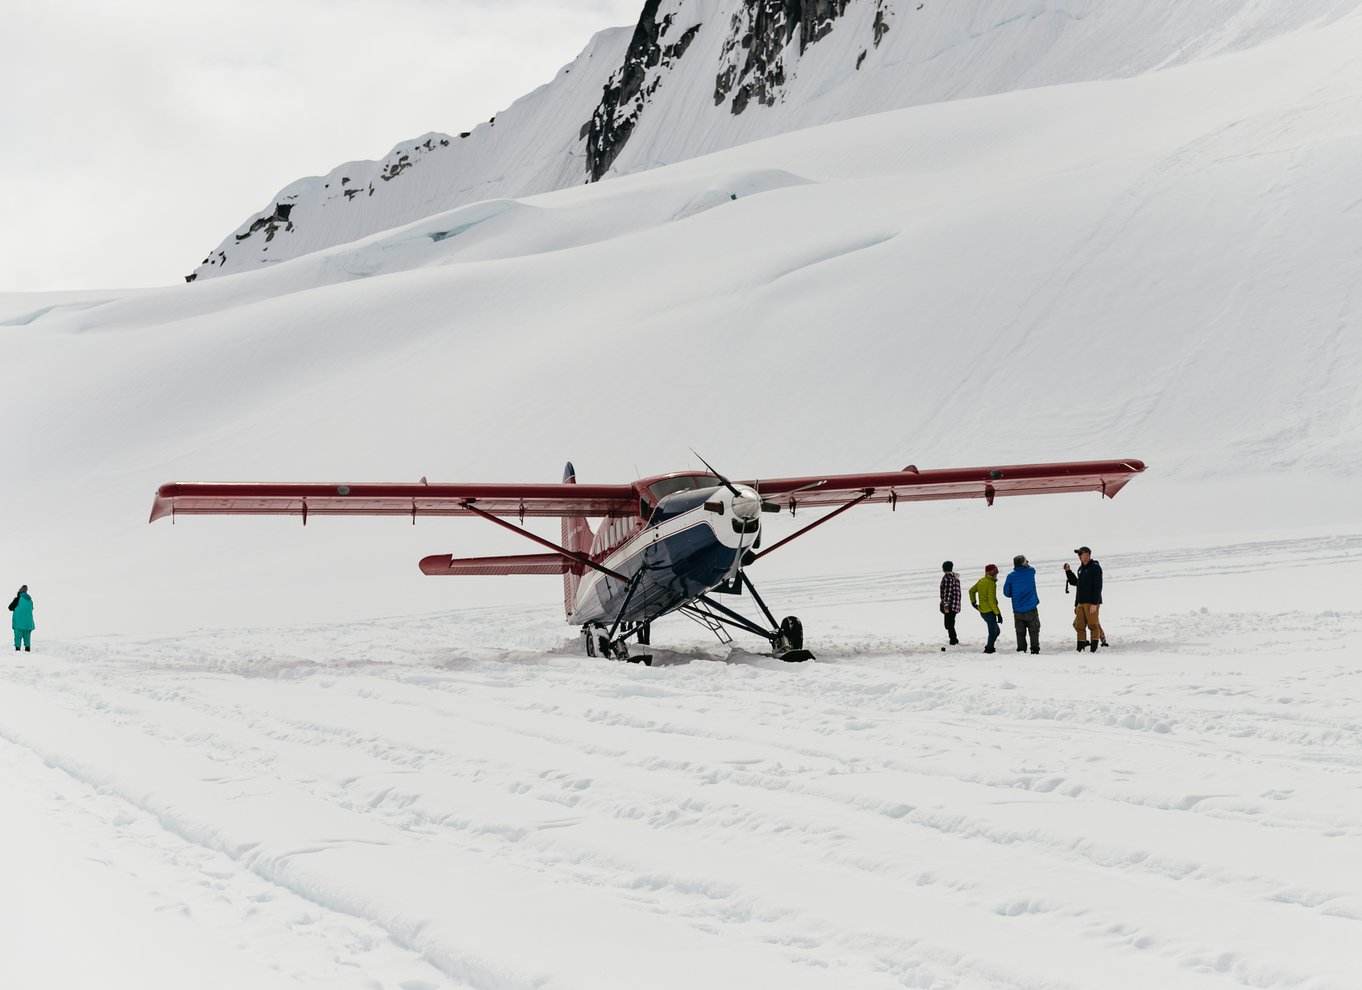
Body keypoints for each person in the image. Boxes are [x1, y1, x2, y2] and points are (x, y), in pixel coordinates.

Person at [1065, 545, 1106, 651]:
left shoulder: (1095, 567)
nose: (1079, 556)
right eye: (1078, 554)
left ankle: (1094, 648)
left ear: (1088, 554)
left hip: (1091, 602)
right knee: (1079, 626)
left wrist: (1094, 603)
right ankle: (1080, 647)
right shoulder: (1081, 569)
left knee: (1093, 625)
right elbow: (1076, 583)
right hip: (1081, 603)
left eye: (1081, 553)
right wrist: (1068, 572)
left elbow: (1098, 586)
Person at [1003, 555, 1040, 653]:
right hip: (1031, 607)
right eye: (1025, 561)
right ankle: (1035, 649)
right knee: (1034, 629)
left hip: (1018, 608)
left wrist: (1015, 594)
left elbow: (1006, 593)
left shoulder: (1010, 576)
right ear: (1023, 563)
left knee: (1020, 632)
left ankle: (1021, 649)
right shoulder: (1030, 571)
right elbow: (1029, 567)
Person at [968, 564, 1003, 653]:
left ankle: (989, 645)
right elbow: (991, 601)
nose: (996, 574)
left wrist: (973, 603)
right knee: (992, 633)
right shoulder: (991, 583)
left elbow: (971, 591)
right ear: (989, 572)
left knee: (997, 632)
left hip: (983, 612)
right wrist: (998, 614)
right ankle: (989, 649)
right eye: (994, 572)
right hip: (990, 612)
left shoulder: (981, 581)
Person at [939, 561, 961, 647]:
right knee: (950, 623)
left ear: (944, 568)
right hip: (955, 604)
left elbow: (947, 593)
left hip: (950, 605)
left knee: (948, 624)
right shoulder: (955, 578)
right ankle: (953, 639)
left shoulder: (947, 578)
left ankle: (953, 640)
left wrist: (946, 605)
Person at [9, 585, 34, 652]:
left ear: (20, 591)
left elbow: (10, 608)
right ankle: (27, 650)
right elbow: (32, 609)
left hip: (19, 622)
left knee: (18, 637)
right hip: (28, 623)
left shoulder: (17, 599)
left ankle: (17, 651)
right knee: (27, 638)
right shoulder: (30, 600)